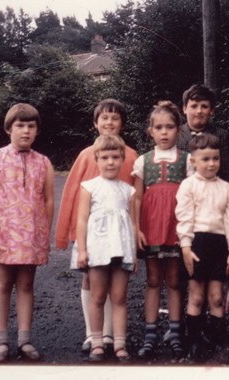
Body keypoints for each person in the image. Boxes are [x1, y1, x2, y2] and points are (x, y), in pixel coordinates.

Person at [55, 99, 137, 353]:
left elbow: (136, 200)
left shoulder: (132, 156)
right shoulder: (85, 155)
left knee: (117, 287)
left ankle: (112, 335)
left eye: (114, 118)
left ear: (122, 123)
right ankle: (93, 334)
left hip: (119, 235)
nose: (109, 123)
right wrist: (67, 236)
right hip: (93, 235)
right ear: (95, 123)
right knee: (90, 282)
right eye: (104, 118)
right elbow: (71, 195)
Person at [0, 103, 55, 363]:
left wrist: (45, 233)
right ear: (9, 129)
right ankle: (1, 341)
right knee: (2, 284)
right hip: (3, 233)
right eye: (20, 126)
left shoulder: (43, 162)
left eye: (31, 126)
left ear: (37, 130)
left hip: (31, 235)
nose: (25, 131)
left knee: (26, 285)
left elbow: (48, 201)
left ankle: (24, 340)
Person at [132, 101, 193, 360]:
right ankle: (150, 334)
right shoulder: (143, 161)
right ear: (151, 131)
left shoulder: (187, 159)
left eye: (170, 127)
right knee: (154, 280)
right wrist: (136, 228)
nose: (164, 132)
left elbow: (193, 195)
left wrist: (188, 231)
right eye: (159, 127)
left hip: (177, 228)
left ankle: (175, 333)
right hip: (152, 227)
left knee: (175, 281)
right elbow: (136, 197)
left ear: (179, 130)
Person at [175, 133, 229, 360]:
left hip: (220, 245)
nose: (212, 164)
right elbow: (184, 218)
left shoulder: (227, 188)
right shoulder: (187, 185)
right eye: (206, 159)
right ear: (193, 161)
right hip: (196, 244)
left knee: (216, 298)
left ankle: (216, 339)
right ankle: (193, 342)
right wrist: (185, 246)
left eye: (215, 158)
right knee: (196, 297)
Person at [75, 134, 136, 363]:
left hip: (121, 249)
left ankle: (120, 343)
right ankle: (97, 342)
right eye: (105, 158)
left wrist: (133, 253)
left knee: (119, 297)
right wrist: (82, 251)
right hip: (98, 250)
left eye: (115, 157)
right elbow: (81, 221)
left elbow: (132, 222)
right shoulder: (89, 187)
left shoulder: (128, 190)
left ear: (122, 159)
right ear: (97, 160)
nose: (110, 162)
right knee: (98, 296)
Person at [176, 84, 229, 183]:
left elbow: (228, 175)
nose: (199, 111)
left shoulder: (222, 136)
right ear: (184, 109)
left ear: (211, 110)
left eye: (204, 106)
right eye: (194, 106)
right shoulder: (175, 136)